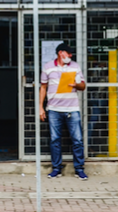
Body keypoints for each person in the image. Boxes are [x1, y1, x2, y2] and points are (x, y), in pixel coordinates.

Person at [39, 43, 87, 180]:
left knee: (77, 140)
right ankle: (56, 168)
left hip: (72, 108)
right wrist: (41, 107)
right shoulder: (48, 67)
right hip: (54, 109)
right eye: (68, 53)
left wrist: (76, 85)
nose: (70, 56)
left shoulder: (75, 66)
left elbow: (83, 86)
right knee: (55, 140)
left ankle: (79, 169)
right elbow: (43, 88)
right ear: (61, 53)